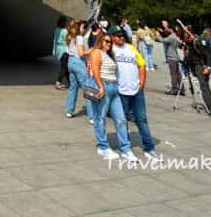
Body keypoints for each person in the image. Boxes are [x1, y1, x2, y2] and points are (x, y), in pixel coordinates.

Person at [84, 29, 136, 162]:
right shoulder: (97, 52)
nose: (109, 44)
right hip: (104, 86)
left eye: (110, 42)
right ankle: (103, 146)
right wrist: (101, 86)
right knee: (100, 118)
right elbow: (95, 69)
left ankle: (126, 149)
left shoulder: (110, 54)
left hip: (113, 88)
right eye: (107, 41)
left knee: (121, 119)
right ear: (101, 40)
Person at [110, 26, 159, 161]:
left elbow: (141, 65)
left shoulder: (131, 48)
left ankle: (149, 148)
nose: (121, 38)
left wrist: (141, 83)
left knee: (142, 119)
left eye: (122, 35)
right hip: (121, 90)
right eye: (118, 36)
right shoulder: (111, 50)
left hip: (136, 90)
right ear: (112, 37)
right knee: (122, 119)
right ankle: (126, 147)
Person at [181, 26, 211, 115]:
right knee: (205, 85)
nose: (187, 42)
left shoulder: (199, 43)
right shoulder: (191, 43)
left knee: (204, 85)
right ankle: (209, 104)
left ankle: (209, 107)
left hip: (201, 66)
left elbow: (209, 54)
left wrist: (208, 67)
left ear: (191, 37)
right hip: (195, 65)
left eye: (188, 40)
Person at [65, 19, 91, 119]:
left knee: (73, 88)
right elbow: (81, 53)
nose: (84, 30)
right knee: (87, 89)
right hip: (78, 62)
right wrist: (90, 51)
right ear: (79, 27)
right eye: (83, 27)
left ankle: (69, 110)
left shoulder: (71, 36)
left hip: (70, 61)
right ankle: (92, 116)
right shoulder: (79, 37)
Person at [159, 23, 183, 95]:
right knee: (178, 74)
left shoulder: (171, 37)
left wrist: (156, 35)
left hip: (172, 57)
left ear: (171, 30)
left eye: (168, 29)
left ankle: (174, 89)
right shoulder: (175, 36)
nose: (167, 30)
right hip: (175, 57)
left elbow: (162, 40)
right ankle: (182, 89)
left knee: (173, 74)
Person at [53, 16, 69, 90]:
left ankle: (70, 82)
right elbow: (67, 40)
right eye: (66, 22)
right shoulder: (65, 31)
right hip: (64, 50)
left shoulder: (57, 29)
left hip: (58, 49)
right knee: (64, 67)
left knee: (65, 66)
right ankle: (58, 82)